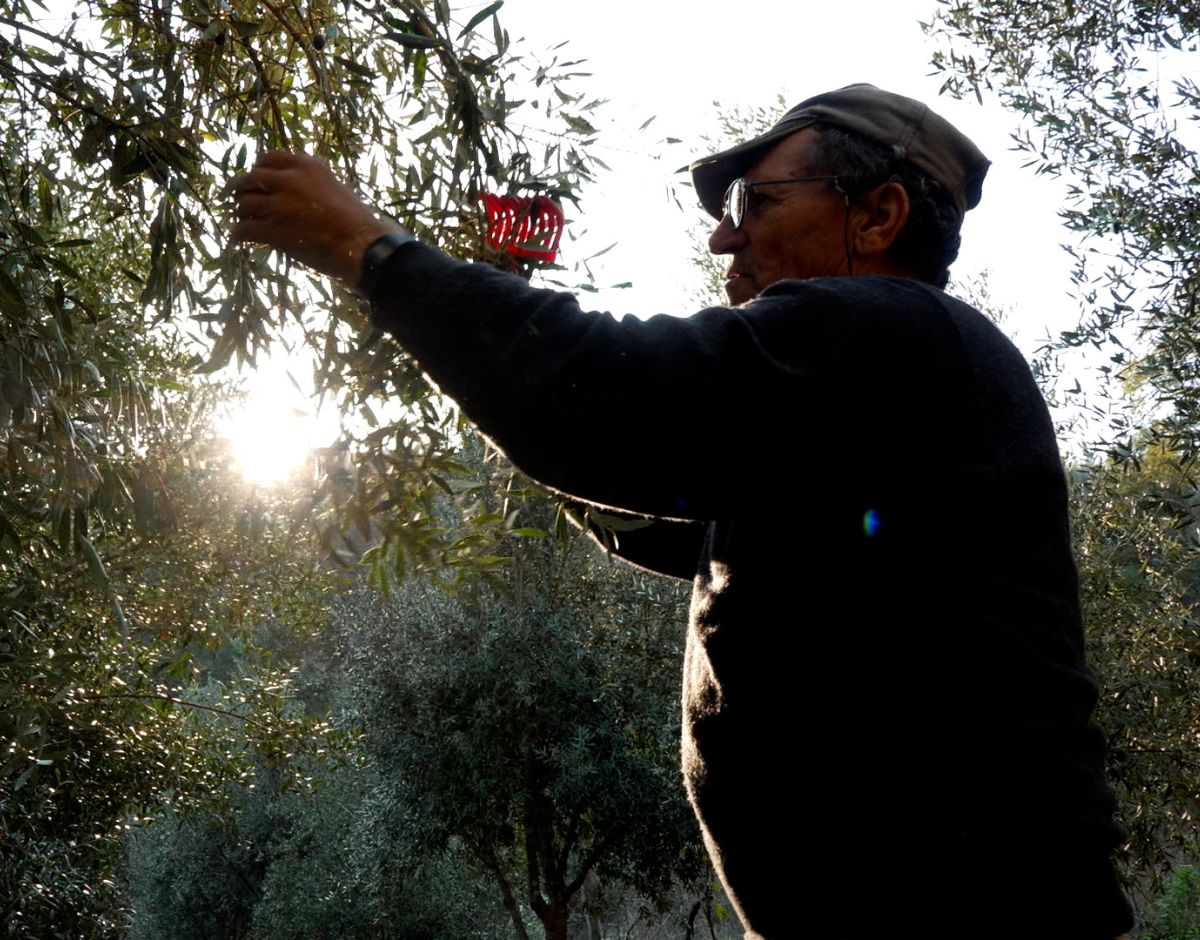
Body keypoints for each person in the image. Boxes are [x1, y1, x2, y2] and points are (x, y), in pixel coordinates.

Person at [231, 84, 1134, 939]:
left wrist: (374, 250)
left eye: (758, 205)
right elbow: (644, 492)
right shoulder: (857, 409)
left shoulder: (892, 329)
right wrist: (491, 326)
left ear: (878, 215)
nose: (725, 241)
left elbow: (607, 406)